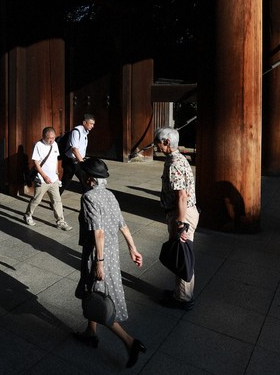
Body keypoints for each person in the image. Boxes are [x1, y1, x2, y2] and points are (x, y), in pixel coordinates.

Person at [74, 157, 146, 369]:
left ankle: (130, 342)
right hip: (112, 252)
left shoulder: (88, 197)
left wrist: (99, 262)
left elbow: (99, 231)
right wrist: (133, 248)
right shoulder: (110, 195)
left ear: (89, 178)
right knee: (94, 292)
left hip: (98, 253)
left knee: (98, 297)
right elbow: (122, 224)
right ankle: (91, 332)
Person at [155, 127, 199, 310]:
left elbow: (181, 196)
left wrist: (181, 224)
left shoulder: (174, 163)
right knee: (181, 253)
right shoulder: (179, 158)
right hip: (185, 212)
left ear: (166, 142)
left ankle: (183, 298)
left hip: (182, 214)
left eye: (157, 141)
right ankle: (180, 293)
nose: (156, 144)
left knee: (182, 255)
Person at [24, 127, 72, 231]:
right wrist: (44, 176)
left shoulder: (54, 144)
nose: (51, 140)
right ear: (43, 137)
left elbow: (55, 158)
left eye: (53, 138)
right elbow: (36, 163)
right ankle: (28, 215)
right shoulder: (38, 145)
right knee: (37, 199)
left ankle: (60, 221)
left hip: (53, 179)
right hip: (41, 179)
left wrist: (56, 172)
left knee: (57, 201)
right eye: (49, 138)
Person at [60, 114, 96, 194]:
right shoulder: (76, 131)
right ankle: (56, 200)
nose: (92, 126)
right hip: (71, 161)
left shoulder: (86, 132)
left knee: (86, 183)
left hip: (79, 161)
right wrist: (82, 163)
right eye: (90, 124)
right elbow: (74, 149)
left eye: (93, 124)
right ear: (84, 123)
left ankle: (87, 203)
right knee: (65, 182)